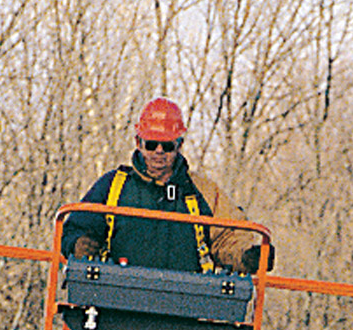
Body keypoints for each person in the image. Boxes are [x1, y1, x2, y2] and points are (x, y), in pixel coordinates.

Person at [62, 97, 265, 274]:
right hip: (116, 303)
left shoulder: (203, 192)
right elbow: (75, 227)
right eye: (151, 144)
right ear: (138, 142)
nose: (159, 151)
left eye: (167, 145)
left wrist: (247, 256)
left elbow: (229, 237)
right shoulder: (112, 187)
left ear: (179, 145)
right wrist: (79, 244)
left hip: (184, 305)